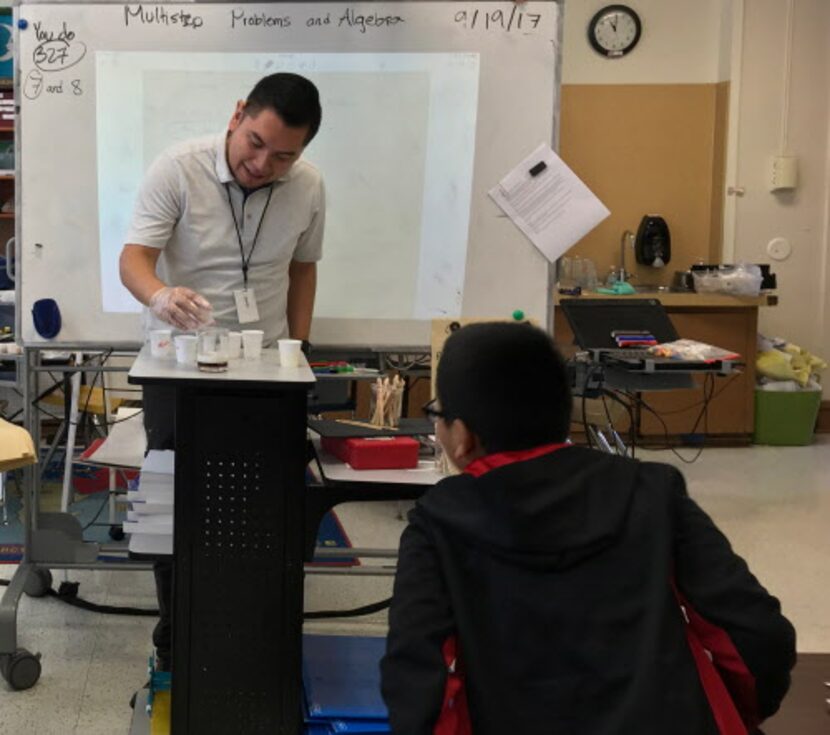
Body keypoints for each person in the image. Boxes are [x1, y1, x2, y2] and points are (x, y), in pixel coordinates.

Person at [380, 322, 795, 735]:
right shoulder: (650, 490)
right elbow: (756, 634)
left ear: (463, 435)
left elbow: (419, 684)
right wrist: (740, 716)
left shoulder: (439, 521)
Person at [119, 72, 324, 673]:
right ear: (238, 115)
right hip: (176, 362)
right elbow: (134, 258)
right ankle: (175, 640)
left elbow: (303, 269)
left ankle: (251, 633)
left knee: (262, 503)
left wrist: (301, 345)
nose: (263, 163)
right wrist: (159, 296)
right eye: (255, 143)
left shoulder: (308, 186)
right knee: (172, 505)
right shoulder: (177, 168)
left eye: (284, 154)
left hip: (264, 368)